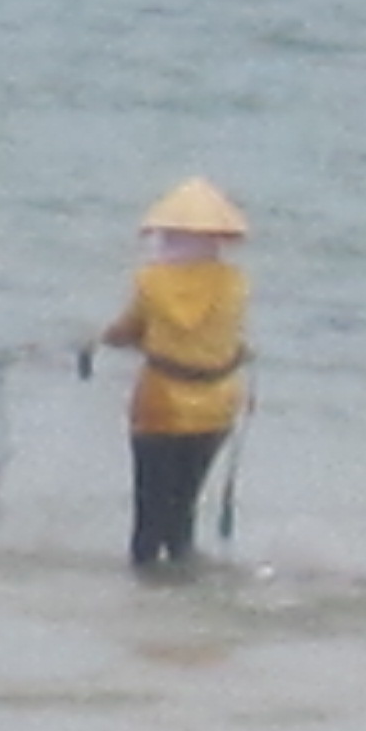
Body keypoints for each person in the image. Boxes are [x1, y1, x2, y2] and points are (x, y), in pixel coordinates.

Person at [93, 177, 253, 570]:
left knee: (149, 509)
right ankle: (181, 603)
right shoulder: (235, 283)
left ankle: (145, 599)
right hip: (217, 405)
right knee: (184, 508)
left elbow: (129, 331)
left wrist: (108, 337)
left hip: (161, 404)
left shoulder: (151, 281)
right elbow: (231, 341)